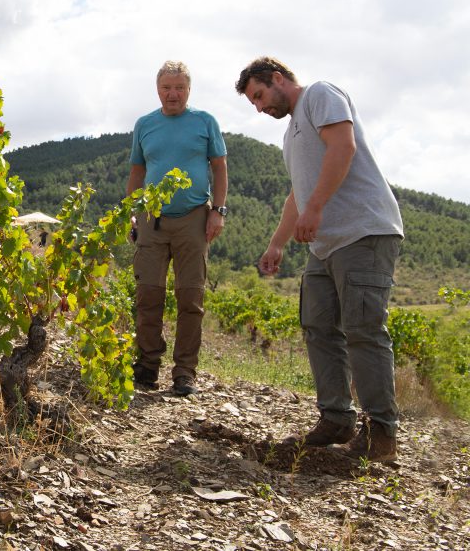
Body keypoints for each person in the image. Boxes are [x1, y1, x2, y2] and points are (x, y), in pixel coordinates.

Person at [236, 56, 404, 463]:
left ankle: (382, 434)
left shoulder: (319, 95)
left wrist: (316, 209)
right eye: (253, 103)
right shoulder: (291, 135)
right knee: (318, 325)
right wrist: (277, 244)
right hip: (325, 246)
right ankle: (336, 419)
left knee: (364, 330)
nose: (259, 107)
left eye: (259, 96)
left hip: (363, 232)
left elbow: (343, 147)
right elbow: (297, 193)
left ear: (277, 78)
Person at [127, 60, 228, 396]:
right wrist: (133, 213)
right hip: (152, 221)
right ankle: (147, 365)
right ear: (158, 89)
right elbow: (137, 174)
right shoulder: (144, 125)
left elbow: (220, 167)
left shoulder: (205, 122)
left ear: (189, 89)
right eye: (167, 87)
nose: (173, 94)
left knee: (190, 299)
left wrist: (218, 210)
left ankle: (185, 372)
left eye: (179, 87)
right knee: (148, 296)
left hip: (194, 220)